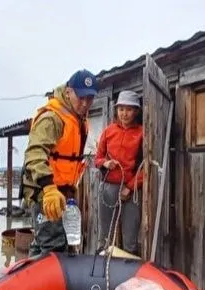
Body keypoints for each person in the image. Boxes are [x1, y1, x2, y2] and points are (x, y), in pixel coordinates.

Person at [21, 69, 99, 256]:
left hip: (64, 192)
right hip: (45, 193)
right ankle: (46, 283)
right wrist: (48, 189)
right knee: (53, 247)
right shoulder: (52, 118)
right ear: (68, 92)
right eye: (81, 97)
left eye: (89, 98)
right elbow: (34, 154)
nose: (85, 103)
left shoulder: (79, 119)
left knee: (48, 244)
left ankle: (31, 278)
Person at [94, 90, 143, 256]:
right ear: (116, 110)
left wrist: (130, 187)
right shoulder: (109, 131)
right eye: (121, 109)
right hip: (108, 188)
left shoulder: (141, 133)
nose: (124, 113)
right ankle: (100, 269)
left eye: (129, 109)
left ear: (136, 111)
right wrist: (105, 163)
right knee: (105, 235)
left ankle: (130, 273)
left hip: (130, 190)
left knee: (131, 235)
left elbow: (146, 165)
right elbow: (97, 158)